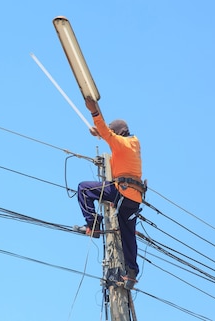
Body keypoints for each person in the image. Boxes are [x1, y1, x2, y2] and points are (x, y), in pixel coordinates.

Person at [75, 96, 146, 288]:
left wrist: (94, 112)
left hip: (121, 192)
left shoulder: (121, 144)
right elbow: (108, 136)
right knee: (127, 234)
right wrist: (99, 133)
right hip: (134, 198)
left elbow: (109, 135)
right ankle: (131, 274)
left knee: (84, 189)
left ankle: (93, 223)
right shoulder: (132, 144)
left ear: (118, 133)